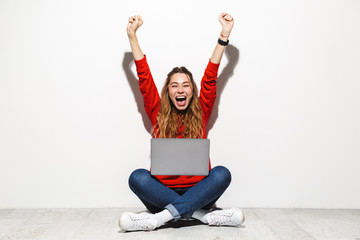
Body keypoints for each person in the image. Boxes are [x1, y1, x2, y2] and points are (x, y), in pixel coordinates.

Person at [120, 13, 244, 232]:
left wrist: (224, 34)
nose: (180, 89)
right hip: (160, 193)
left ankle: (159, 219)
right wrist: (132, 35)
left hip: (200, 192)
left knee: (222, 173)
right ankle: (202, 216)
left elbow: (210, 75)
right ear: (168, 91)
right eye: (174, 85)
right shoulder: (157, 111)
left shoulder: (201, 110)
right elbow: (144, 76)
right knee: (137, 177)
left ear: (192, 91)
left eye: (185, 85)